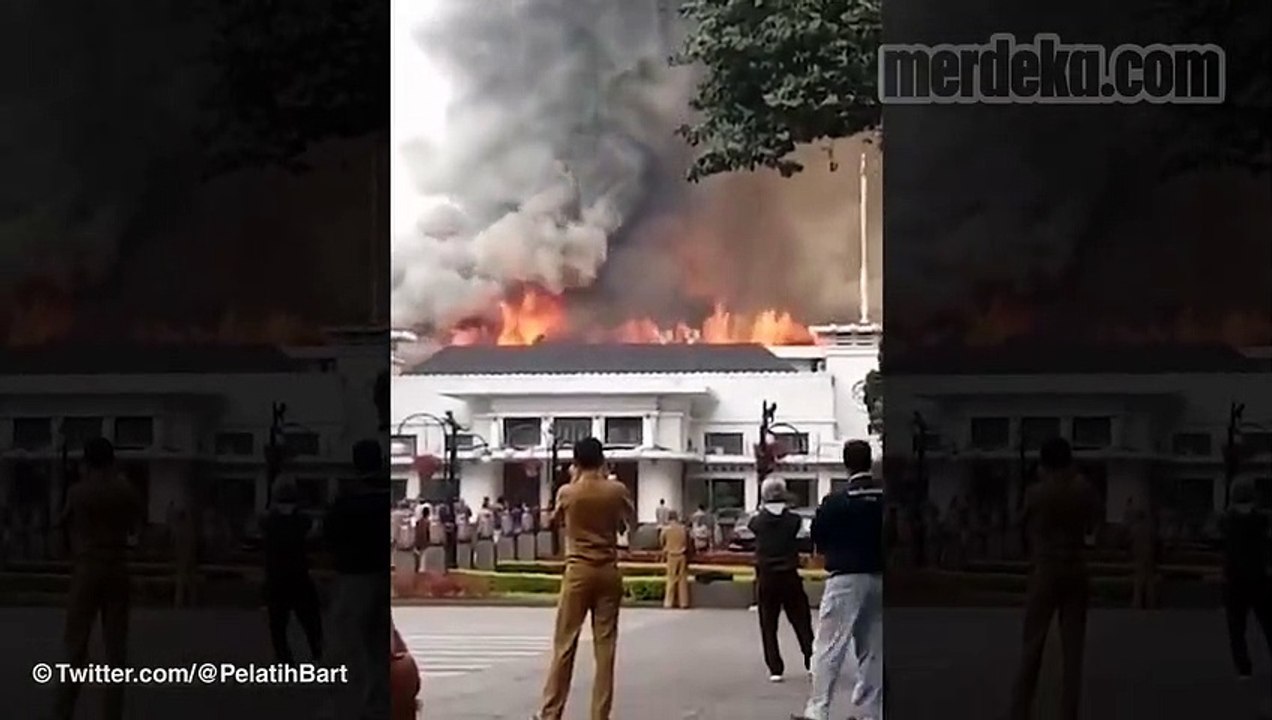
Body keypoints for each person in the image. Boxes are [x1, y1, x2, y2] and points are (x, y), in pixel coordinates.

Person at [534, 437, 635, 720]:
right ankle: (599, 715)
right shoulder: (617, 490)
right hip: (608, 572)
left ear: (575, 463)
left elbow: (551, 522)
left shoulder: (568, 492)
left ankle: (550, 712)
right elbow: (629, 523)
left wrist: (574, 481)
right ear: (602, 460)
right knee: (606, 648)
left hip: (578, 571)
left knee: (565, 644)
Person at [1007, 437, 1100, 720]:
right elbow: (1095, 523)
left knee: (1033, 642)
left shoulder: (1038, 492)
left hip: (1046, 567)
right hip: (1075, 565)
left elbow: (1017, 521)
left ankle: (1021, 710)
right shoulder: (1084, 488)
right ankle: (1068, 711)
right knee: (1073, 649)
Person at [794, 440, 884, 720]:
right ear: (869, 461)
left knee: (829, 646)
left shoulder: (835, 501)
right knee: (873, 649)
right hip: (881, 577)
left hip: (844, 577)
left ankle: (818, 711)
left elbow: (817, 537)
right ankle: (873, 712)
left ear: (846, 464)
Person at [54, 437, 142, 720]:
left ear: (87, 462)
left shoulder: (78, 492)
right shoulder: (125, 490)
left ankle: (64, 710)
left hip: (87, 567)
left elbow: (60, 524)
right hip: (117, 566)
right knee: (116, 648)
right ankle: (111, 713)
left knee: (76, 643)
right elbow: (136, 525)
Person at [321, 440, 391, 720]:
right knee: (378, 641)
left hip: (355, 577)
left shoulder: (347, 498)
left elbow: (329, 535)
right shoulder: (384, 497)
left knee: (346, 642)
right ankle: (377, 698)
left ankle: (348, 702)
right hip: (384, 576)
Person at [751, 476, 814, 682]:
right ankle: (811, 660)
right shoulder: (794, 520)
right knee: (801, 620)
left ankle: (775, 668)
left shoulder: (756, 522)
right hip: (789, 575)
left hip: (767, 577)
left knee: (768, 624)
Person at [262, 479, 323, 664]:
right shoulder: (304, 520)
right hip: (299, 575)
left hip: (276, 576)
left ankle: (284, 659)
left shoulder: (267, 521)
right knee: (310, 620)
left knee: (278, 624)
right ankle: (316, 653)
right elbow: (314, 540)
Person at [1219, 479, 1272, 684]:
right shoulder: (1261, 519)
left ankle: (1244, 669)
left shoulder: (1227, 520)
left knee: (1236, 628)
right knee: (1268, 624)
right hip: (1259, 578)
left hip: (1234, 579)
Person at [659, 509, 690, 609]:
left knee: (671, 579)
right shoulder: (683, 529)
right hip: (682, 555)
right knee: (682, 580)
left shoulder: (666, 529)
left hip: (671, 555)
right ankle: (684, 602)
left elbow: (661, 541)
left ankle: (668, 602)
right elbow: (687, 541)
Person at [1129, 502, 1159, 609]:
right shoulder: (1150, 528)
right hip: (1150, 554)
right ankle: (1151, 602)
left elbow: (1129, 541)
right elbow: (1156, 541)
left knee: (1138, 580)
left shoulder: (1134, 529)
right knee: (1150, 580)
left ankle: (1137, 603)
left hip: (1138, 555)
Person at [172, 503, 199, 607]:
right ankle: (192, 601)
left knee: (181, 580)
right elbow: (194, 543)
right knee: (191, 580)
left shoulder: (179, 530)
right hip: (189, 557)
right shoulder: (190, 529)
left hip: (182, 557)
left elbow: (175, 543)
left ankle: (179, 601)